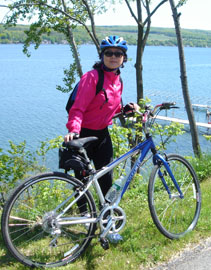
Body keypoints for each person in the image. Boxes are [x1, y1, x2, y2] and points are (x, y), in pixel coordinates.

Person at [64, 35, 139, 243]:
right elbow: (78, 108)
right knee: (82, 181)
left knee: (106, 181)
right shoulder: (91, 77)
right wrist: (73, 130)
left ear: (124, 58)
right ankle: (84, 220)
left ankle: (108, 225)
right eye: (109, 53)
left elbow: (112, 109)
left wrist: (126, 110)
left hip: (103, 136)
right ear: (102, 55)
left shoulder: (118, 81)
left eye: (118, 54)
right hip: (84, 135)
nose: (113, 57)